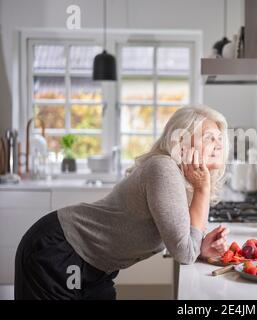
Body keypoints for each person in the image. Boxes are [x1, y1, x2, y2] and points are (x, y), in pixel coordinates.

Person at [15, 106, 230, 300]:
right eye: (210, 137)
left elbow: (184, 243)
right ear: (182, 142)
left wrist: (200, 246)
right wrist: (203, 189)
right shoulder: (164, 169)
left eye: (220, 139)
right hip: (58, 250)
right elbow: (184, 253)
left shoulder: (182, 179)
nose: (218, 144)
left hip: (94, 266)